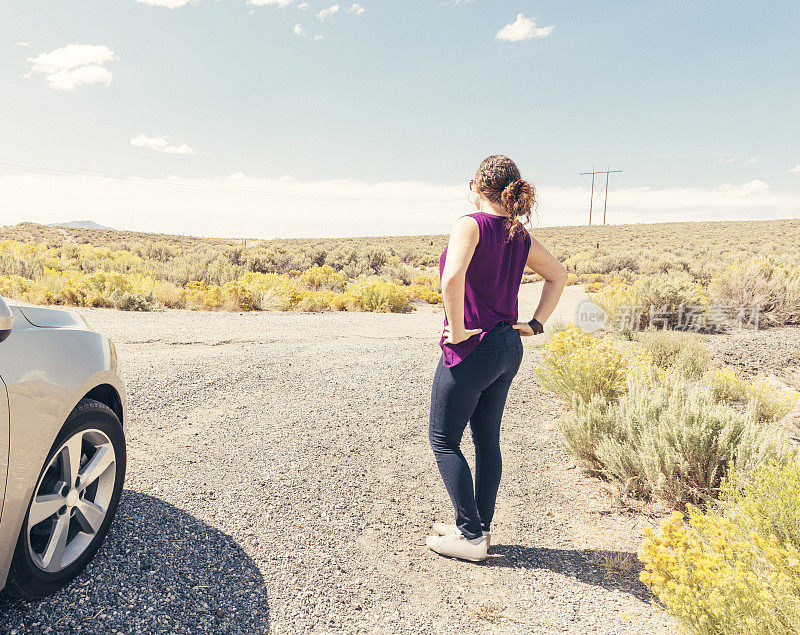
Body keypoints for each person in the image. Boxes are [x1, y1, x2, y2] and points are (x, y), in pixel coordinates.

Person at [426, 155, 567, 562]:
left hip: (472, 347)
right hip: (508, 348)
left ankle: (470, 539)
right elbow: (558, 274)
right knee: (486, 440)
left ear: (476, 187)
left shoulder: (469, 224)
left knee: (443, 440)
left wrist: (455, 328)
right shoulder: (516, 233)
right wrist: (536, 325)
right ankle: (477, 527)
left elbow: (451, 278)